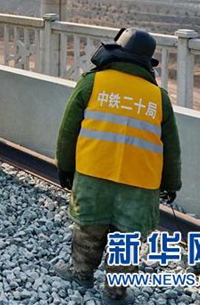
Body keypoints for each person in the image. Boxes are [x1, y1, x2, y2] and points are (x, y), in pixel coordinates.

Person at [54, 28, 181, 304]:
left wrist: (64, 167)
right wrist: (171, 184)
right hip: (140, 185)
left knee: (89, 228)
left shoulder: (92, 83)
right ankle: (115, 292)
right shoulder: (158, 98)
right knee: (128, 239)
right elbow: (171, 149)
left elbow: (68, 131)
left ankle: (81, 273)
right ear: (147, 63)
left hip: (92, 177)